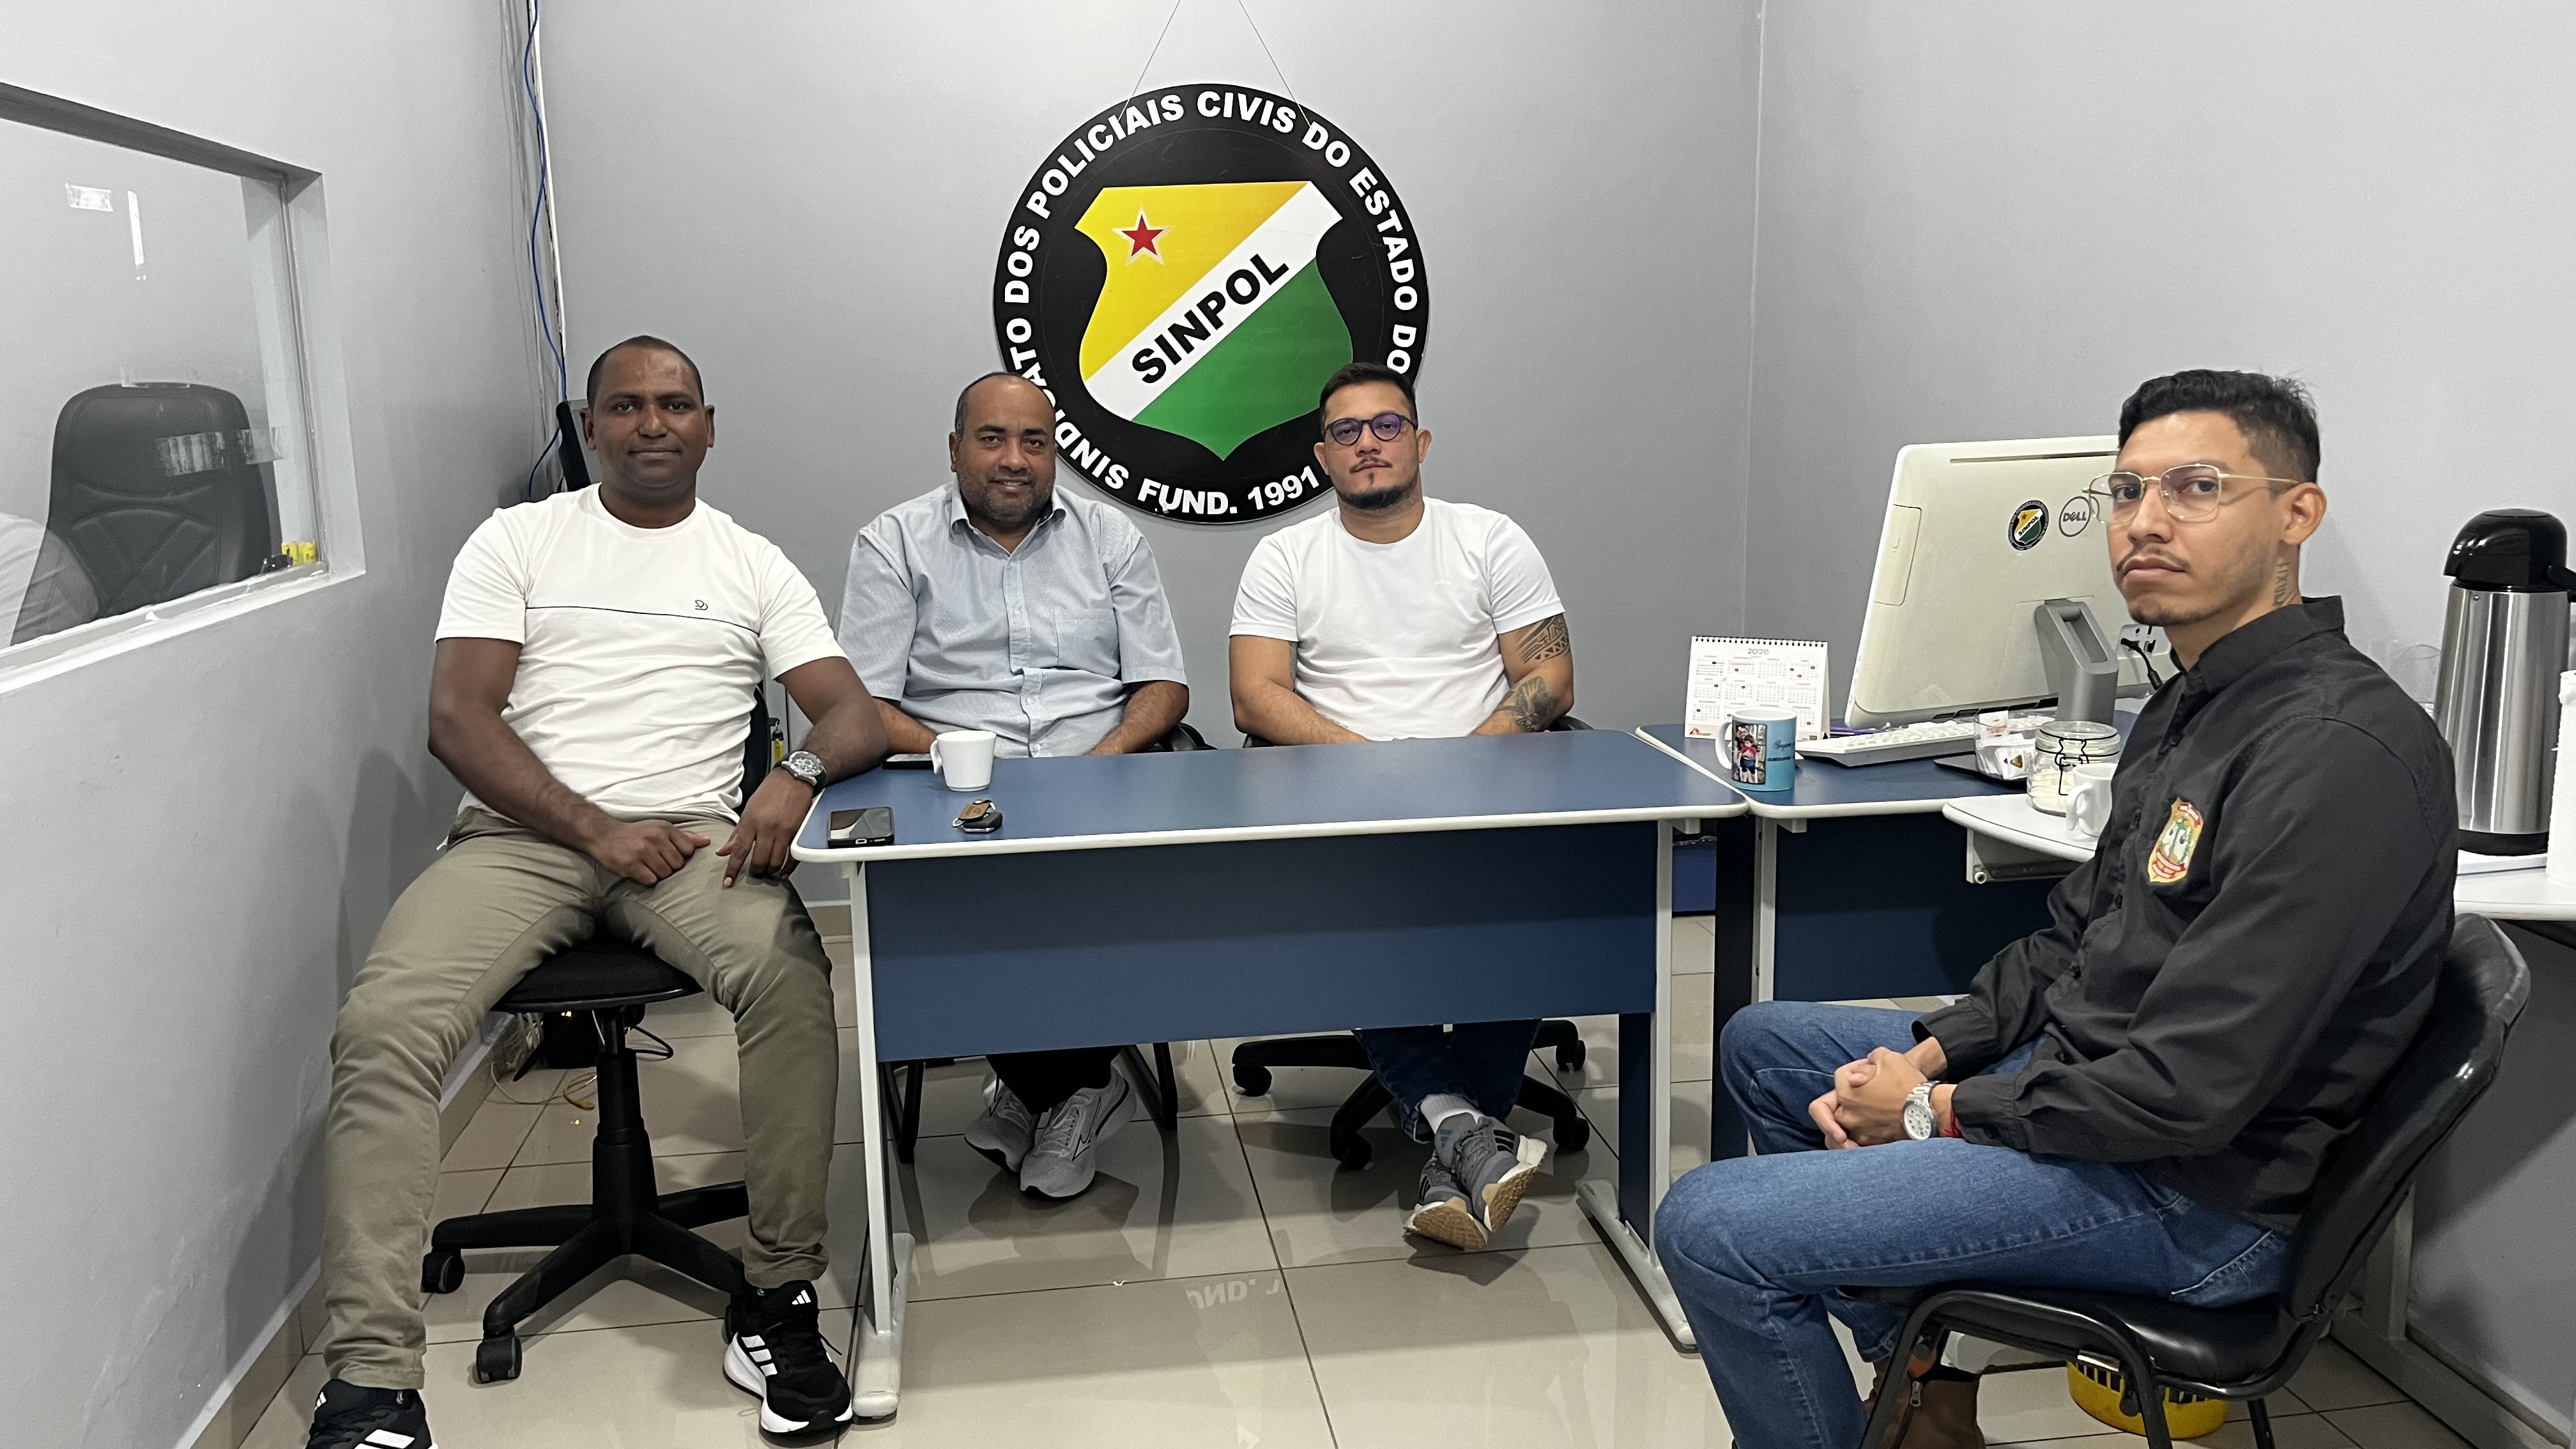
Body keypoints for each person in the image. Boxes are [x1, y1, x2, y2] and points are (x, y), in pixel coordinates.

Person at [1655, 370, 2455, 1449]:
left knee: (1709, 1229)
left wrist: (1934, 1111)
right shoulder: (2196, 699)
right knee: (1766, 1047)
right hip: (2104, 1095)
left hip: (2193, 1194)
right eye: (2127, 491)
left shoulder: (2332, 755)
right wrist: (1936, 1053)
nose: (2147, 522)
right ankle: (1924, 1387)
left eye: (2197, 488)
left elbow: (2186, 1092)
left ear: (2296, 514)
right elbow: (2079, 935)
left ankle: (1901, 1394)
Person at [304, 338, 889, 1449]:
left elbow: (850, 712)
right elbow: (457, 720)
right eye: (625, 406)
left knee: (790, 984)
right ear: (589, 426)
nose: (652, 424)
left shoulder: (751, 562)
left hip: (693, 845)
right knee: (384, 1029)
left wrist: (797, 773)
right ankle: (372, 1384)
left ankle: (778, 1297)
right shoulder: (520, 541)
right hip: (522, 839)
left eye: (675, 405)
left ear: (710, 426)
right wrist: (595, 831)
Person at [1228, 360, 1576, 1251]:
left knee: (1528, 914)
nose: (1368, 444)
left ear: (1419, 442)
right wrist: (1372, 767)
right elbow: (1254, 696)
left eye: (1386, 426)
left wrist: (1465, 763)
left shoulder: (1490, 539)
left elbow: (1549, 675)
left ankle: (1455, 1132)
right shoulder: (1285, 556)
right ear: (1322, 456)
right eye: (1346, 432)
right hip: (1346, 802)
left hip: (1487, 790)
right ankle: (1470, 1133)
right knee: (1361, 918)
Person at [836, 371, 1189, 1200]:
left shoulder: (1110, 537)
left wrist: (1108, 757)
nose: (1014, 459)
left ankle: (1034, 1092)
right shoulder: (894, 542)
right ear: (955, 448)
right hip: (951, 788)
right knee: (976, 900)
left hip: (1094, 776)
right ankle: (1079, 1087)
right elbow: (866, 705)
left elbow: (1164, 685)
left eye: (1035, 441)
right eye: (992, 438)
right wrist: (953, 754)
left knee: (1101, 888)